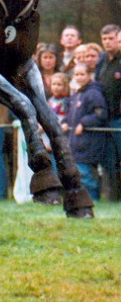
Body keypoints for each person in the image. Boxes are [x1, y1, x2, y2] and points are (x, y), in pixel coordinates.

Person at [62, 63, 107, 201]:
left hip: (90, 141)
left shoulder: (93, 93)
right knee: (79, 173)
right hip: (77, 142)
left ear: (89, 75)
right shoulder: (76, 95)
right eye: (76, 74)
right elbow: (70, 114)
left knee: (87, 175)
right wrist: (65, 122)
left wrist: (84, 122)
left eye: (82, 74)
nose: (79, 77)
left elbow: (100, 113)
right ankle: (82, 200)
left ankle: (93, 200)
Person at [95, 25, 121, 202]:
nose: (107, 42)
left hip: (119, 119)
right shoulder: (102, 60)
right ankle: (113, 199)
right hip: (105, 119)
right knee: (109, 162)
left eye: (111, 38)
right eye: (104, 39)